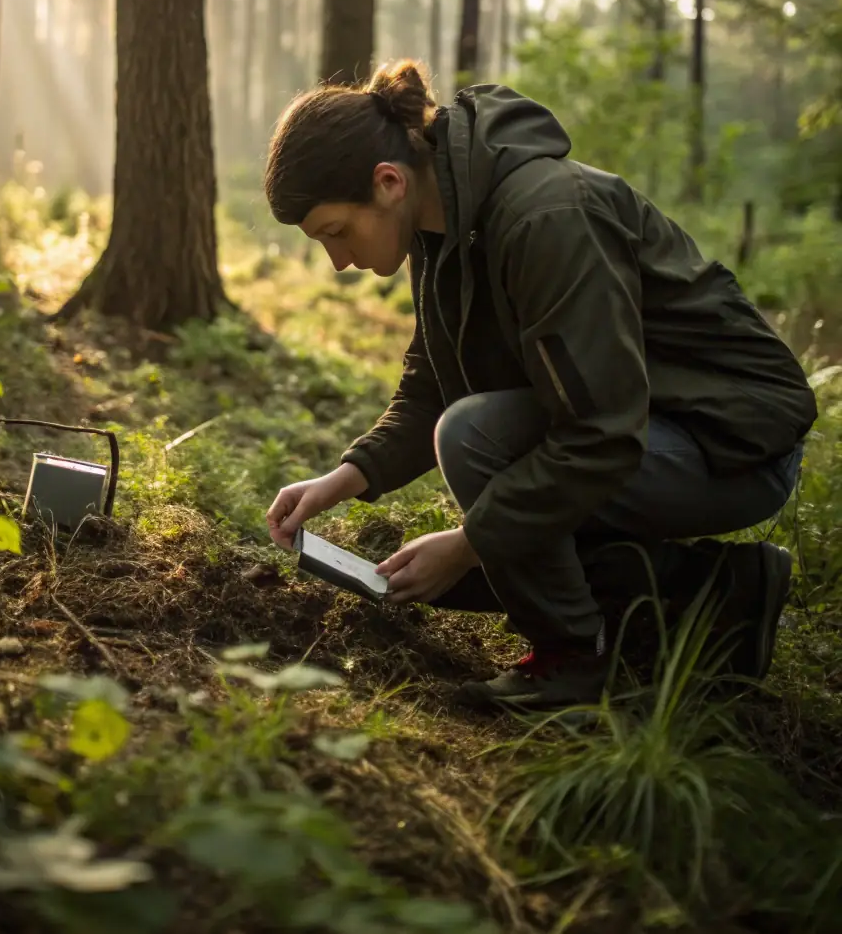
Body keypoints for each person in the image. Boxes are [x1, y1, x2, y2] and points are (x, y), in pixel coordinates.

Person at [263, 60, 817, 708]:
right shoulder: (441, 227)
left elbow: (600, 436)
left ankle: (571, 657)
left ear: (388, 181)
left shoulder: (545, 217)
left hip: (732, 444)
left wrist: (471, 544)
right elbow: (430, 385)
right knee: (491, 524)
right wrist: (346, 476)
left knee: (477, 452)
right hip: (646, 431)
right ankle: (721, 591)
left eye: (336, 232)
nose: (339, 260)